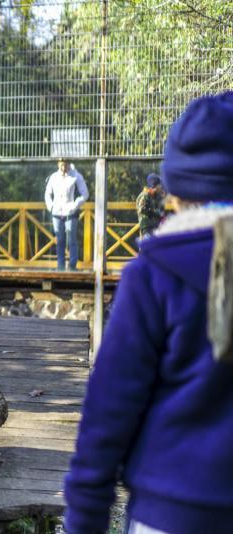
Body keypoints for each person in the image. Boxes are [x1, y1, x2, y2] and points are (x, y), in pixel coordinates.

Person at [64, 92, 233, 534]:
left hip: (172, 510)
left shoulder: (155, 273)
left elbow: (110, 408)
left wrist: (85, 517)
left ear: (175, 191)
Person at [44, 157, 89, 270]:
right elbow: (47, 194)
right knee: (60, 240)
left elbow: (85, 193)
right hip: (56, 212)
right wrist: (51, 207)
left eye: (66, 165)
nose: (64, 168)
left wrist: (75, 205)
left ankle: (72, 265)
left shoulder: (76, 175)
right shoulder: (53, 177)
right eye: (61, 165)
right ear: (58, 164)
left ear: (69, 163)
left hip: (70, 212)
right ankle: (60, 266)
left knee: (71, 239)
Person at [136, 173, 166, 238]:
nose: (161, 187)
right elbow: (142, 210)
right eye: (159, 185)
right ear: (154, 186)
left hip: (153, 226)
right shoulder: (144, 195)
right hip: (147, 227)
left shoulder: (152, 196)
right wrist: (156, 213)